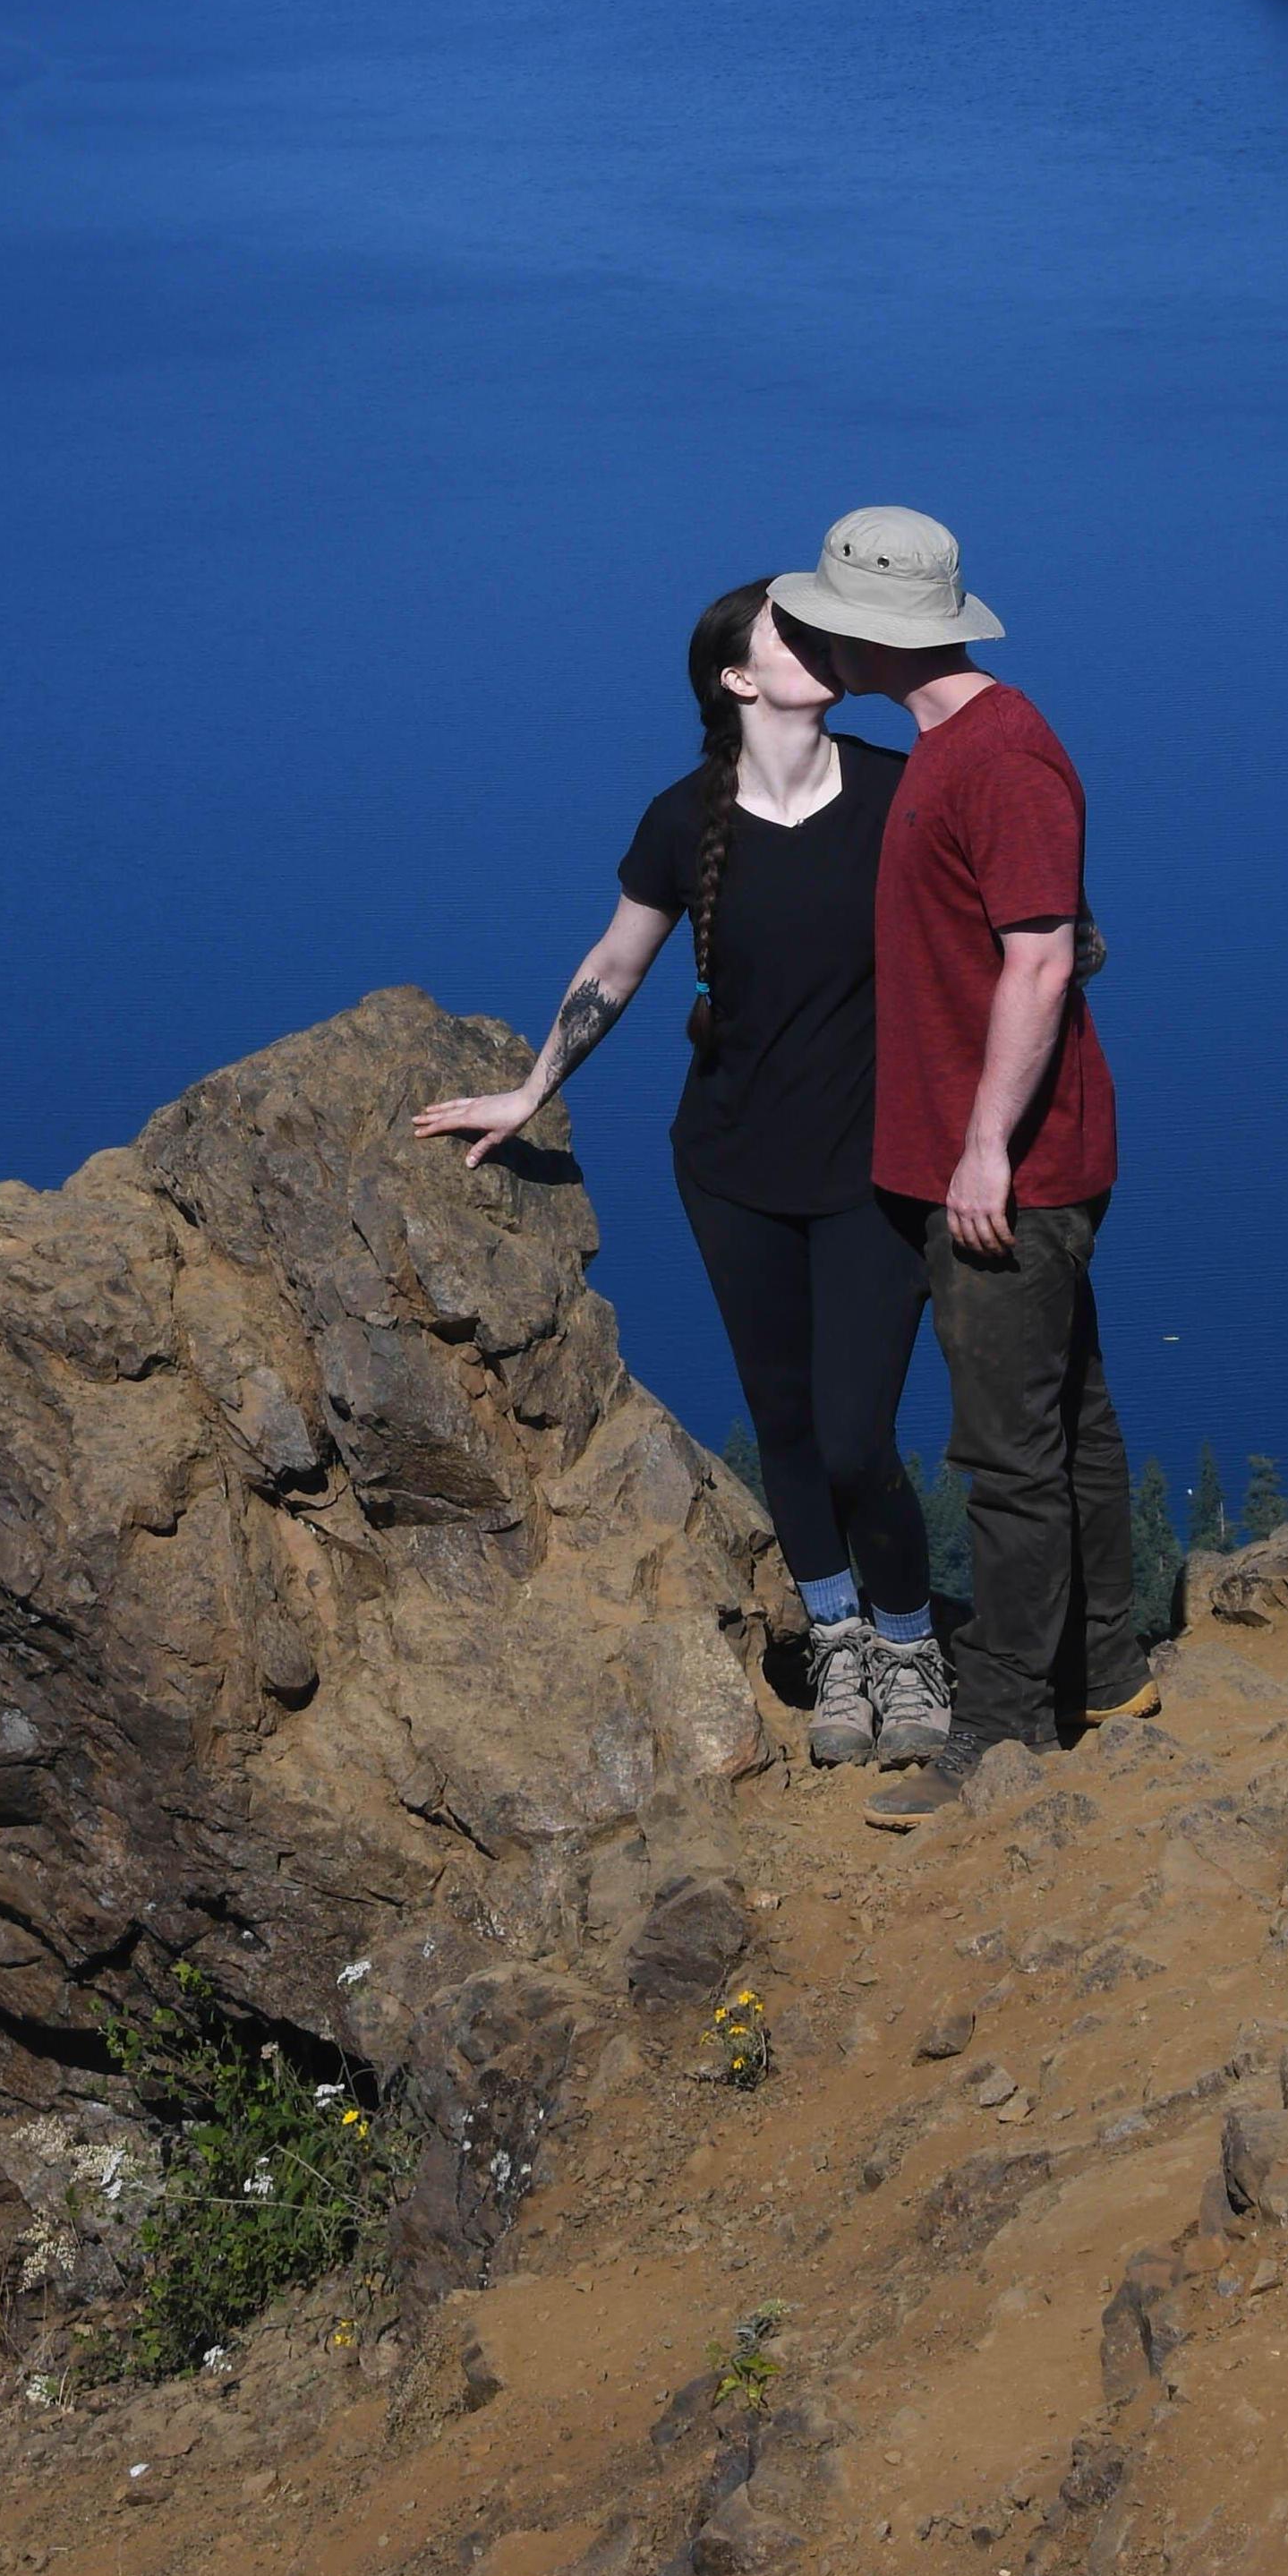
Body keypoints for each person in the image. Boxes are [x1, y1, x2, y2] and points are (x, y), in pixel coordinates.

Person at [412, 581, 955, 1771]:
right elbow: (616, 960)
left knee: (860, 1435)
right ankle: (839, 1642)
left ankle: (911, 1644)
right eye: (788, 632)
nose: (819, 641)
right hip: (730, 1171)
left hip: (875, 1174)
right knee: (788, 1422)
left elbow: (993, 927)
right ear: (738, 680)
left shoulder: (898, 793)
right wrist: (532, 1086)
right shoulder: (680, 819)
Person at [762, 503, 1143, 1825]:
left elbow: (1039, 959)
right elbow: (1044, 931)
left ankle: (1000, 1733)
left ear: (876, 633)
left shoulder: (1003, 756)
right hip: (983, 1157)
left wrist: (985, 1151)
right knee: (1069, 1419)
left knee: (1005, 1457)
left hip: (1010, 1176)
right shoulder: (948, 744)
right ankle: (1109, 1666)